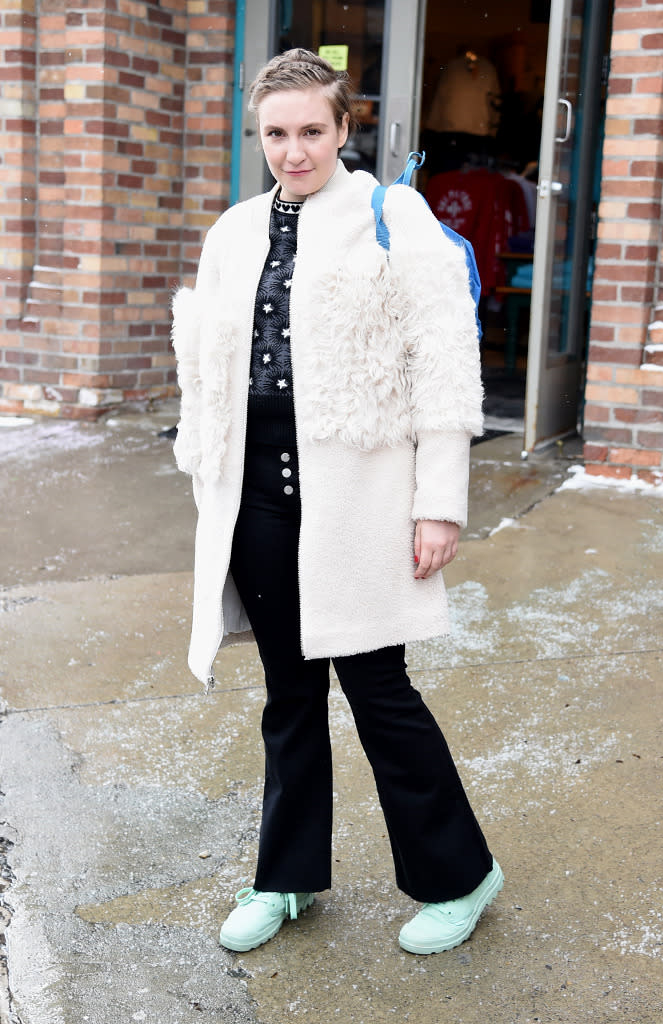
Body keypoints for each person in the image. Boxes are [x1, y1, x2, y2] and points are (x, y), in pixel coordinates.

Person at [171, 48, 502, 957]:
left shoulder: (394, 216)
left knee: (378, 691)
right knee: (288, 698)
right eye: (274, 134)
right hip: (258, 506)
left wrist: (439, 504)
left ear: (344, 128)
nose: (292, 150)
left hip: (356, 501)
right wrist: (206, 481)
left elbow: (442, 363)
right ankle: (286, 879)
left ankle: (459, 877)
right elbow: (205, 374)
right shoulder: (233, 231)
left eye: (311, 130)